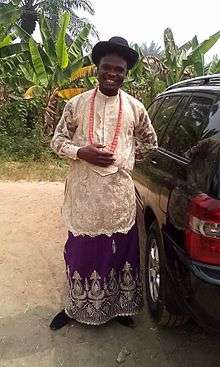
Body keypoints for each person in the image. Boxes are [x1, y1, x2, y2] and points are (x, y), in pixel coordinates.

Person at [50, 36, 158, 330]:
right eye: (107, 67)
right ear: (97, 68)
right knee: (80, 254)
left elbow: (151, 143)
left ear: (126, 73)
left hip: (117, 198)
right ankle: (75, 308)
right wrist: (80, 151)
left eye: (119, 69)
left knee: (120, 252)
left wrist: (126, 157)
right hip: (84, 198)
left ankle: (121, 309)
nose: (112, 74)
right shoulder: (76, 104)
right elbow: (56, 141)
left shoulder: (136, 108)